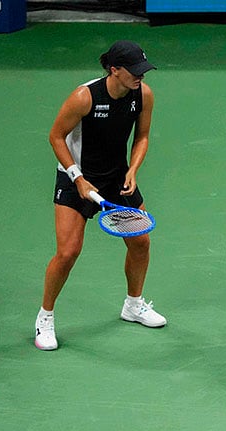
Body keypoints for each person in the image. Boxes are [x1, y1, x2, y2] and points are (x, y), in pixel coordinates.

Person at [35, 40, 166, 351]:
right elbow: (56, 136)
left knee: (141, 242)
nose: (140, 76)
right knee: (68, 253)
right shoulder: (85, 97)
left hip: (116, 178)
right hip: (76, 178)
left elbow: (142, 136)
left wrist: (133, 170)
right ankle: (45, 318)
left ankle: (133, 305)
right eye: (134, 71)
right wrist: (77, 178)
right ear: (114, 70)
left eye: (143, 70)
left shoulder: (143, 95)